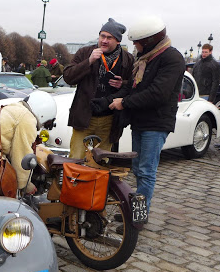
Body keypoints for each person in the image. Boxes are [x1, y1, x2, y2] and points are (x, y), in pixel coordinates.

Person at [109, 15, 184, 212]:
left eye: (137, 42)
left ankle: (139, 214)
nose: (135, 46)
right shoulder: (145, 59)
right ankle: (136, 209)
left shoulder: (171, 58)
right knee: (137, 169)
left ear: (148, 41)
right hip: (141, 121)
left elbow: (158, 93)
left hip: (156, 123)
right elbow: (138, 87)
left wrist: (124, 103)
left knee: (146, 170)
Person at [63, 18, 134, 159]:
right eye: (102, 36)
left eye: (109, 37)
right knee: (76, 158)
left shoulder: (127, 59)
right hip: (84, 115)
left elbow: (133, 86)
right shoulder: (85, 52)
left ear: (118, 41)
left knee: (102, 160)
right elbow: (68, 77)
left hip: (109, 118)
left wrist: (123, 83)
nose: (104, 41)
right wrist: (88, 61)